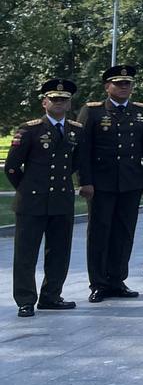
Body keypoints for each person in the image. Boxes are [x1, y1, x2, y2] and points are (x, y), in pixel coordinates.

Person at [6, 79, 86, 316]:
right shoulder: (29, 129)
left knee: (59, 252)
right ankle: (25, 300)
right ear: (44, 102)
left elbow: (75, 163)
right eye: (54, 99)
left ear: (70, 103)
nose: (59, 103)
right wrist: (28, 188)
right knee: (26, 254)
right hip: (32, 201)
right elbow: (11, 167)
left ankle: (51, 296)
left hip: (61, 200)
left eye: (64, 100)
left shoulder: (75, 130)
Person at [78, 65, 143, 303]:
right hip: (102, 183)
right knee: (100, 233)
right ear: (107, 86)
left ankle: (117, 279)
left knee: (124, 232)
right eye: (118, 83)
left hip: (130, 181)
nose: (124, 87)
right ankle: (98, 283)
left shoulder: (141, 112)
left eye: (127, 83)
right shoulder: (93, 112)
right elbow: (83, 151)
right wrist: (85, 181)